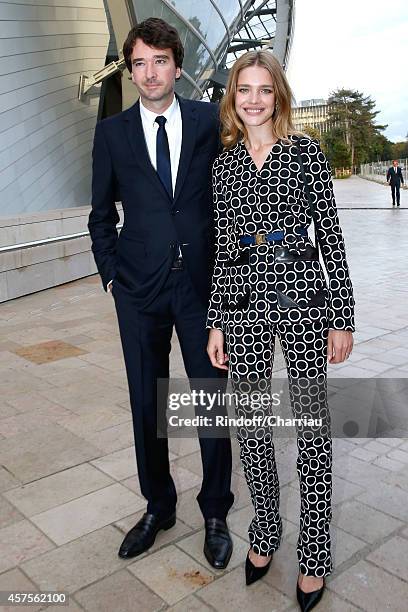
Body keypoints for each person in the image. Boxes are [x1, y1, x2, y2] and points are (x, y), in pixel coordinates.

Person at [206, 50, 355, 611]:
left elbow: (331, 240)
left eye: (264, 90)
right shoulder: (223, 166)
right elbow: (224, 251)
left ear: (279, 96)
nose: (253, 99)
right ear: (233, 97)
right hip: (243, 306)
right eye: (244, 89)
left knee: (312, 431)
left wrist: (342, 316)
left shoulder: (306, 154)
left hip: (303, 304)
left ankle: (315, 553)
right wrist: (217, 321)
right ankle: (265, 529)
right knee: (251, 427)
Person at [88, 17, 234, 569]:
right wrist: (111, 276)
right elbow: (100, 216)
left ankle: (216, 510)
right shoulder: (111, 133)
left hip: (203, 289)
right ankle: (159, 506)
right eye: (140, 63)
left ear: (178, 65)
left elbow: (234, 198)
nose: (150, 73)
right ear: (131, 69)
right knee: (147, 404)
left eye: (160, 61)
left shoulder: (207, 122)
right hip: (139, 292)